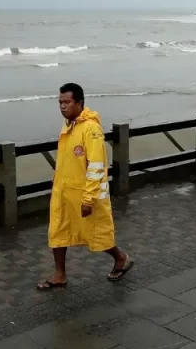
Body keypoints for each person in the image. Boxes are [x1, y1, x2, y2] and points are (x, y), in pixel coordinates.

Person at [37, 83, 133, 291]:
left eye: (67, 102)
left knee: (96, 233)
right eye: (60, 102)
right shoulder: (69, 126)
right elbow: (67, 158)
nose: (62, 106)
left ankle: (121, 257)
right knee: (58, 231)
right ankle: (59, 275)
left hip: (84, 194)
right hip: (63, 192)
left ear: (79, 103)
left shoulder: (91, 129)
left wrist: (89, 198)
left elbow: (97, 166)